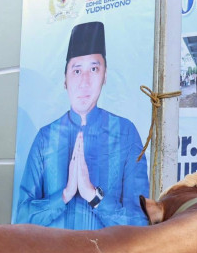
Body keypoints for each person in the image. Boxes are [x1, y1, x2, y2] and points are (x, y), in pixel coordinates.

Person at [16, 21, 149, 229]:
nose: (85, 82)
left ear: (104, 75)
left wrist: (92, 195)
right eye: (77, 71)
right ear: (65, 79)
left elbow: (140, 223)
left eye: (94, 69)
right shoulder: (46, 138)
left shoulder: (125, 133)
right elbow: (22, 218)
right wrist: (65, 195)